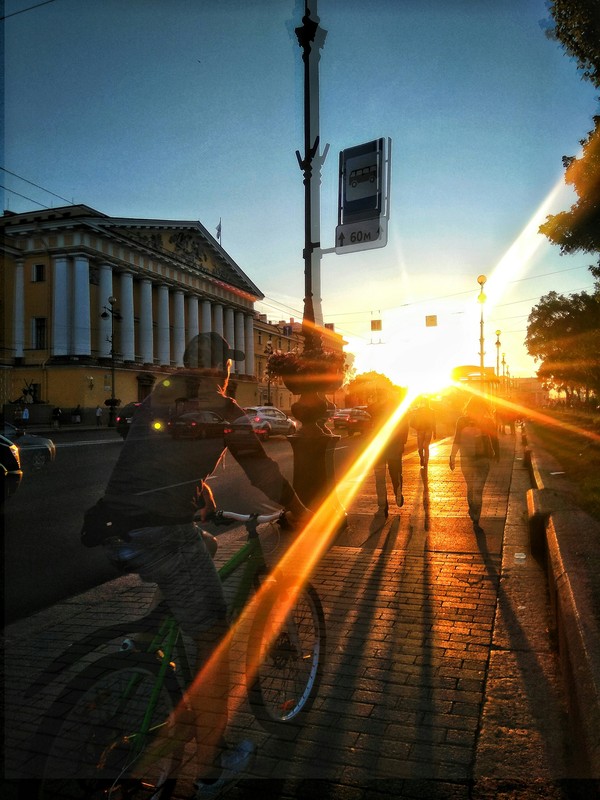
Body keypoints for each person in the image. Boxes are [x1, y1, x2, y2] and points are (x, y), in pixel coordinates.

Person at [82, 332, 310, 797]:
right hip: (161, 532)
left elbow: (152, 452)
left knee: (203, 547)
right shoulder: (226, 411)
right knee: (216, 641)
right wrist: (301, 510)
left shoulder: (157, 397)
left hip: (115, 523)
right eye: (228, 365)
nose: (229, 372)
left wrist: (194, 487)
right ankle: (212, 764)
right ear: (220, 369)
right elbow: (262, 471)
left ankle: (152, 636)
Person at [449, 397, 499, 533]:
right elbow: (457, 439)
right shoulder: (464, 421)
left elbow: (493, 438)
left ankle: (476, 516)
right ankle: (474, 511)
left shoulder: (481, 422)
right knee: (474, 488)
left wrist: (452, 457)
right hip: (473, 460)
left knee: (474, 489)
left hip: (475, 459)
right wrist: (452, 456)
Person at [367, 385, 409, 518]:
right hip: (391, 447)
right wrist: (402, 443)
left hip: (382, 447)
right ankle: (395, 493)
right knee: (393, 473)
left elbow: (370, 428)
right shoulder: (397, 408)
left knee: (382, 477)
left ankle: (384, 505)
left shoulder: (375, 409)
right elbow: (404, 427)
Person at [410, 397, 436, 469]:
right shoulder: (421, 411)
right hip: (423, 430)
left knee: (423, 447)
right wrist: (416, 427)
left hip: (425, 430)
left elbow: (434, 422)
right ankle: (423, 459)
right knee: (422, 447)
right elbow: (411, 422)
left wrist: (434, 431)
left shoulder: (428, 411)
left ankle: (424, 461)